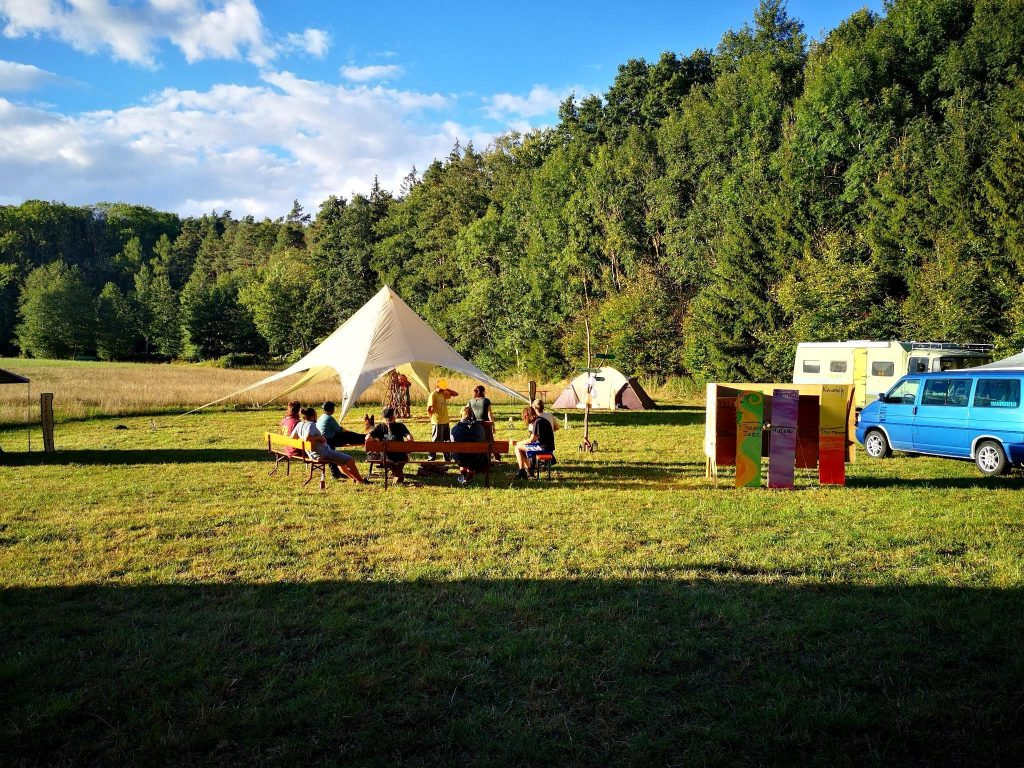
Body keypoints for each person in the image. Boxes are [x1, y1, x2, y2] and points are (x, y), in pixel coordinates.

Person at [291, 407, 369, 485]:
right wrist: (320, 438)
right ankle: (360, 481)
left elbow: (292, 437)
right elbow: (307, 438)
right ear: (312, 417)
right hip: (323, 453)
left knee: (341, 462)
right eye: (316, 415)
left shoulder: (299, 424)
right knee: (350, 460)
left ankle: (353, 478)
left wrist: (305, 440)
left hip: (312, 454)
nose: (316, 417)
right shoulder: (311, 424)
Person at [366, 406, 414, 484]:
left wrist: (376, 442)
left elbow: (367, 438)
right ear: (394, 416)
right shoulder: (401, 426)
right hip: (401, 456)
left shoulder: (380, 427)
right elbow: (410, 439)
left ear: (383, 417)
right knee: (401, 459)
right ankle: (397, 474)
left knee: (389, 459)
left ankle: (397, 474)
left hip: (386, 456)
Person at [513, 405, 555, 480]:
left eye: (525, 418)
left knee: (517, 448)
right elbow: (534, 439)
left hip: (544, 448)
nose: (525, 420)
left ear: (529, 415)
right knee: (521, 449)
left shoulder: (537, 422)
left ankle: (522, 471)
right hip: (545, 446)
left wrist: (517, 443)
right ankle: (528, 472)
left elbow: (531, 440)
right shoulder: (540, 420)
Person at [450, 405, 487, 485]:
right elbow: (482, 439)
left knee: (463, 465)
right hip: (476, 457)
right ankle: (467, 479)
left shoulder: (455, 428)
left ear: (461, 415)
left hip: (460, 457)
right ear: (472, 415)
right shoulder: (479, 427)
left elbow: (452, 443)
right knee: (473, 460)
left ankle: (465, 478)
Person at [427, 378, 458, 460]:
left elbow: (456, 394)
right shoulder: (433, 395)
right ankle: (431, 457)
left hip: (445, 421)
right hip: (437, 421)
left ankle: (447, 458)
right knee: (436, 441)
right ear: (437, 386)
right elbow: (429, 408)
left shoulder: (444, 393)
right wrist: (431, 418)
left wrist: (446, 388)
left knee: (446, 440)